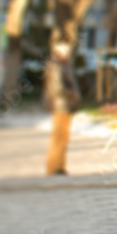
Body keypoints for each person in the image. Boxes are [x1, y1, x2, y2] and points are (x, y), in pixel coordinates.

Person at [44, 40, 81, 175]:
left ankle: (58, 165)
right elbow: (59, 88)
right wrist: (73, 94)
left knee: (62, 137)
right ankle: (54, 167)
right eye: (67, 51)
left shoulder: (59, 65)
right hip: (61, 105)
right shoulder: (57, 66)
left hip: (62, 104)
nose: (68, 54)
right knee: (59, 136)